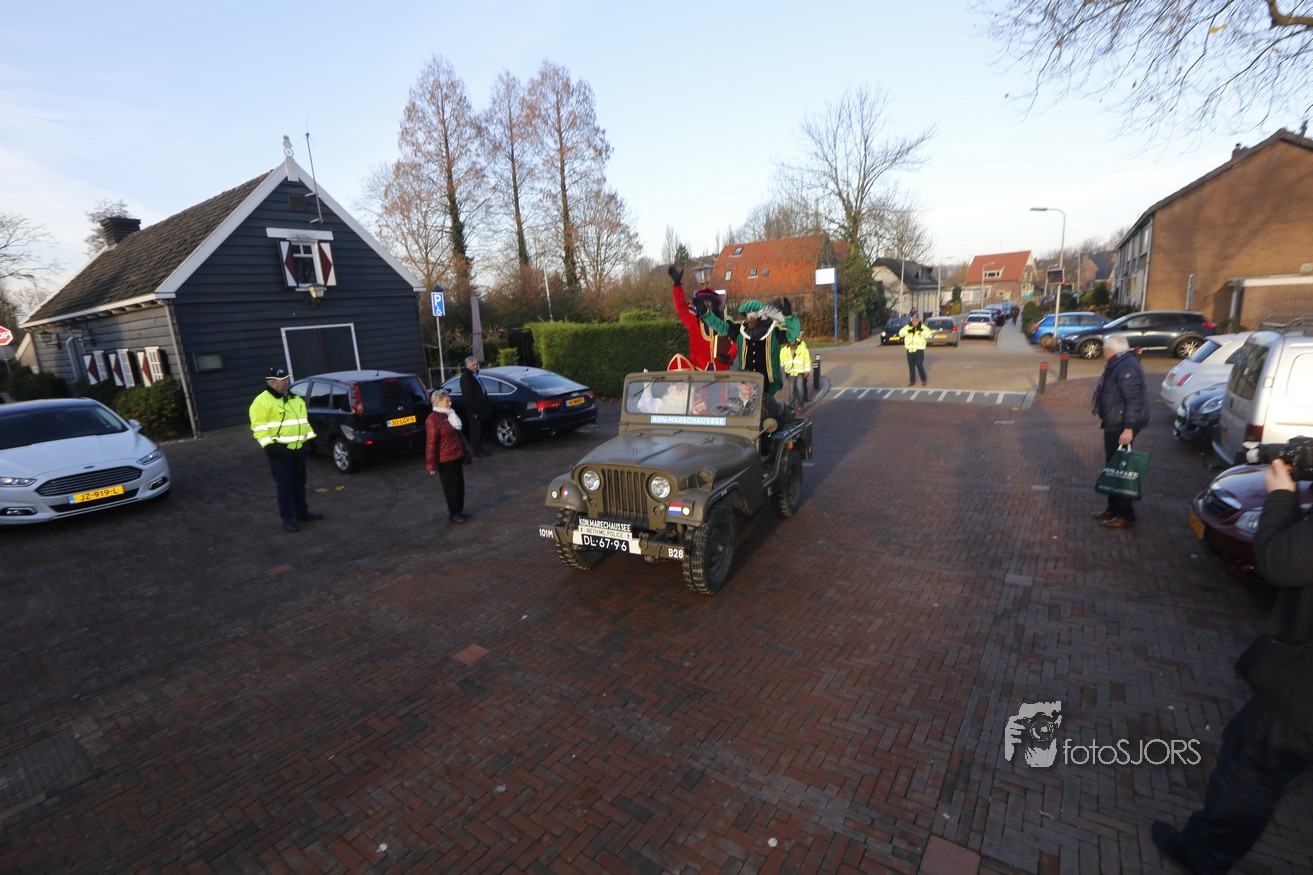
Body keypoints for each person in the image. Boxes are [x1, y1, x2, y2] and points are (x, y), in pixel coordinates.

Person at [1152, 457, 1313, 874]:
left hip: (1301, 688)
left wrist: (1282, 496)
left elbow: (1282, 559)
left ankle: (1203, 854)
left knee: (1250, 769)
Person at [248, 366, 322, 533]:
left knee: (300, 483)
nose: (287, 382)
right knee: (285, 486)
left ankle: (302, 512)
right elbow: (259, 427)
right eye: (283, 380)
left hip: (298, 449)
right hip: (280, 452)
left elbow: (303, 422)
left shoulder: (295, 399)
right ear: (272, 382)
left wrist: (310, 439)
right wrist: (268, 445)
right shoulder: (261, 402)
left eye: (287, 379)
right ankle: (288, 519)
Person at [1090, 334, 1149, 529]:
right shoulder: (1118, 364)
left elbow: (1134, 400)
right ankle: (1113, 508)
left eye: (1104, 349)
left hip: (1121, 424)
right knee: (1112, 466)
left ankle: (1125, 514)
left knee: (1120, 468)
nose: (1103, 352)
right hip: (1115, 422)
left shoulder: (1126, 367)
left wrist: (1128, 429)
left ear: (1110, 350)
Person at [699, 298, 801, 396]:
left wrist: (789, 317)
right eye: (746, 317)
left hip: (767, 384)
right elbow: (720, 326)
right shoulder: (740, 330)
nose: (747, 321)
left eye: (750, 318)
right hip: (746, 383)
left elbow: (793, 333)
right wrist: (706, 314)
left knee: (766, 406)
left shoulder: (774, 331)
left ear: (759, 317)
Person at [667, 266, 736, 371]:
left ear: (715, 305)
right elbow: (680, 307)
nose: (707, 307)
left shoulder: (725, 323)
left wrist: (729, 356)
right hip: (699, 370)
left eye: (710, 303)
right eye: (704, 304)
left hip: (721, 372)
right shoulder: (693, 319)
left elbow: (735, 343)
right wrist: (677, 286)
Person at [426, 389, 469, 523]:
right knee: (451, 487)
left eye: (449, 400)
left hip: (456, 455)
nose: (450, 403)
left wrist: (465, 449)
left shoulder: (450, 415)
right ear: (438, 402)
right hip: (445, 459)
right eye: (447, 401)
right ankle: (454, 512)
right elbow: (431, 443)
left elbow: (459, 435)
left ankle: (459, 510)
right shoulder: (433, 419)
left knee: (460, 485)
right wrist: (431, 464)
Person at [458, 356, 492, 457]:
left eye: (476, 364)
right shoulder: (466, 377)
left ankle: (479, 448)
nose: (475, 366)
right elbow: (468, 396)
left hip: (479, 408)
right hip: (474, 410)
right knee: (475, 430)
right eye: (473, 365)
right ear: (468, 365)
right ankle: (477, 450)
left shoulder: (474, 375)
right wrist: (473, 411)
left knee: (477, 429)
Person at [898, 314, 933, 386]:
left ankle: (923, 379)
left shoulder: (923, 327)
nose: (915, 322)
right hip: (909, 350)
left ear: (919, 320)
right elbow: (901, 333)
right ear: (912, 321)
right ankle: (912, 381)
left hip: (919, 350)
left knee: (919, 364)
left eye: (916, 320)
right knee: (911, 366)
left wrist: (922, 332)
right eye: (914, 320)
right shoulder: (907, 327)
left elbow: (929, 335)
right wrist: (908, 332)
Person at [780, 335, 812, 415]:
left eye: (793, 340)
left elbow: (807, 360)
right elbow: (781, 362)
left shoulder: (802, 348)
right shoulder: (783, 351)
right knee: (791, 390)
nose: (792, 342)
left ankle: (800, 406)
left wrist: (807, 371)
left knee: (800, 389)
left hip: (800, 372)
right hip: (790, 373)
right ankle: (792, 406)